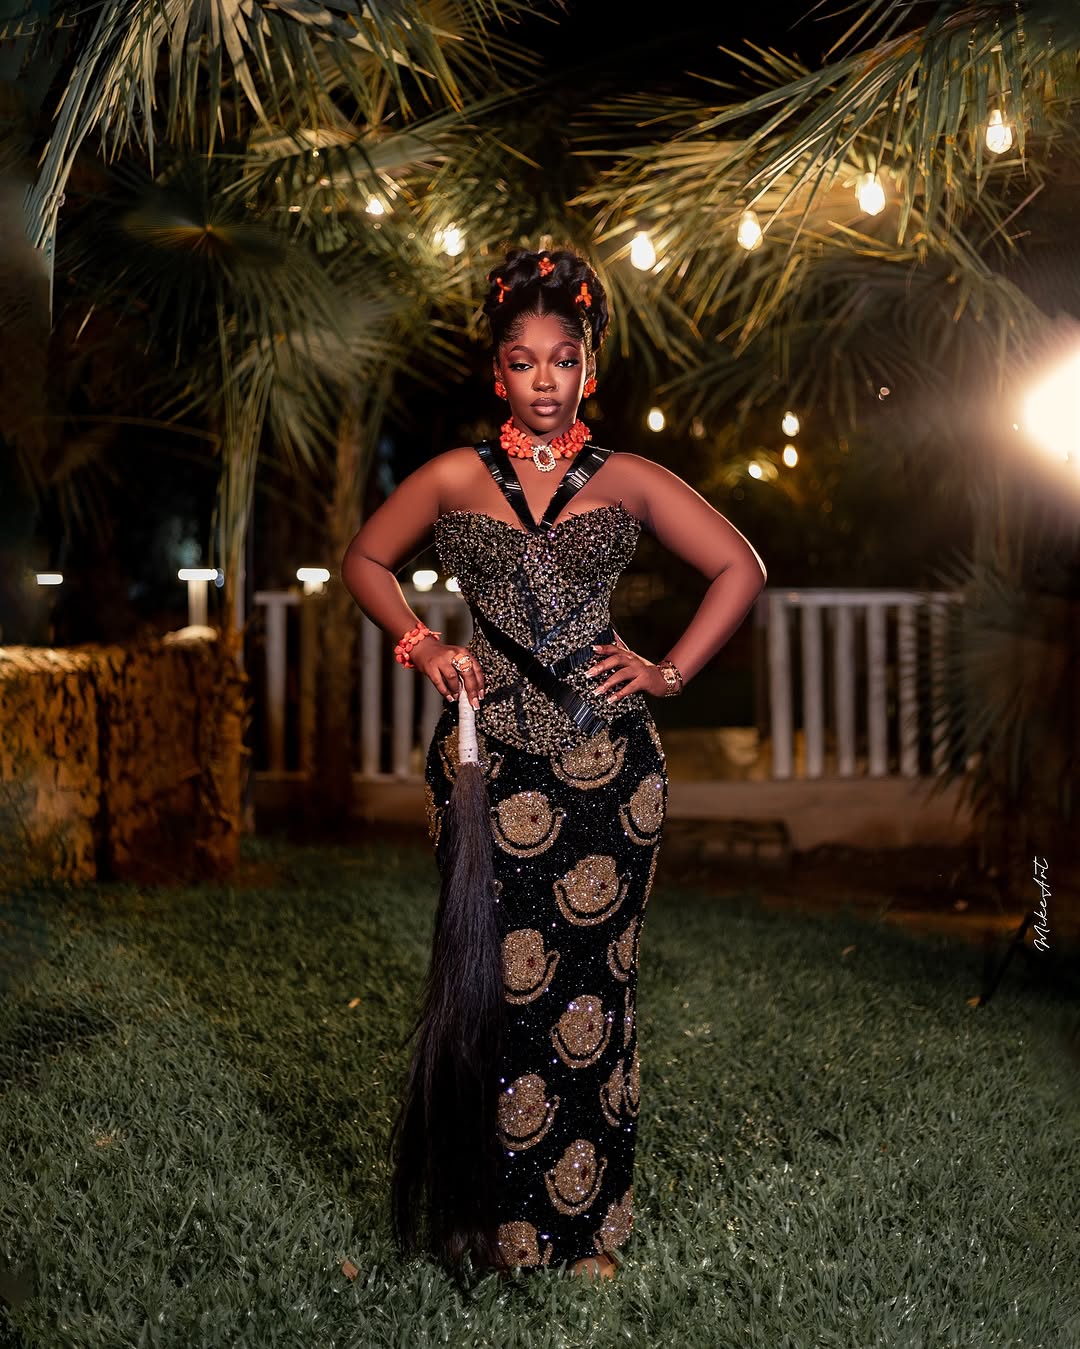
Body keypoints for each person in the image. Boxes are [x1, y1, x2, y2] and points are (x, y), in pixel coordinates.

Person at [340, 245, 767, 1284]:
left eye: (563, 359)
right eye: (523, 360)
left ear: (589, 368)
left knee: (592, 991)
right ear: (498, 372)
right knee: (490, 984)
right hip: (485, 766)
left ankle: (587, 1229)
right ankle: (489, 1221)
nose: (544, 378)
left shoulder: (626, 479)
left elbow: (740, 566)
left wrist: (665, 671)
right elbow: (365, 559)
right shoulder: (453, 477)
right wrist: (422, 644)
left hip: (609, 771)